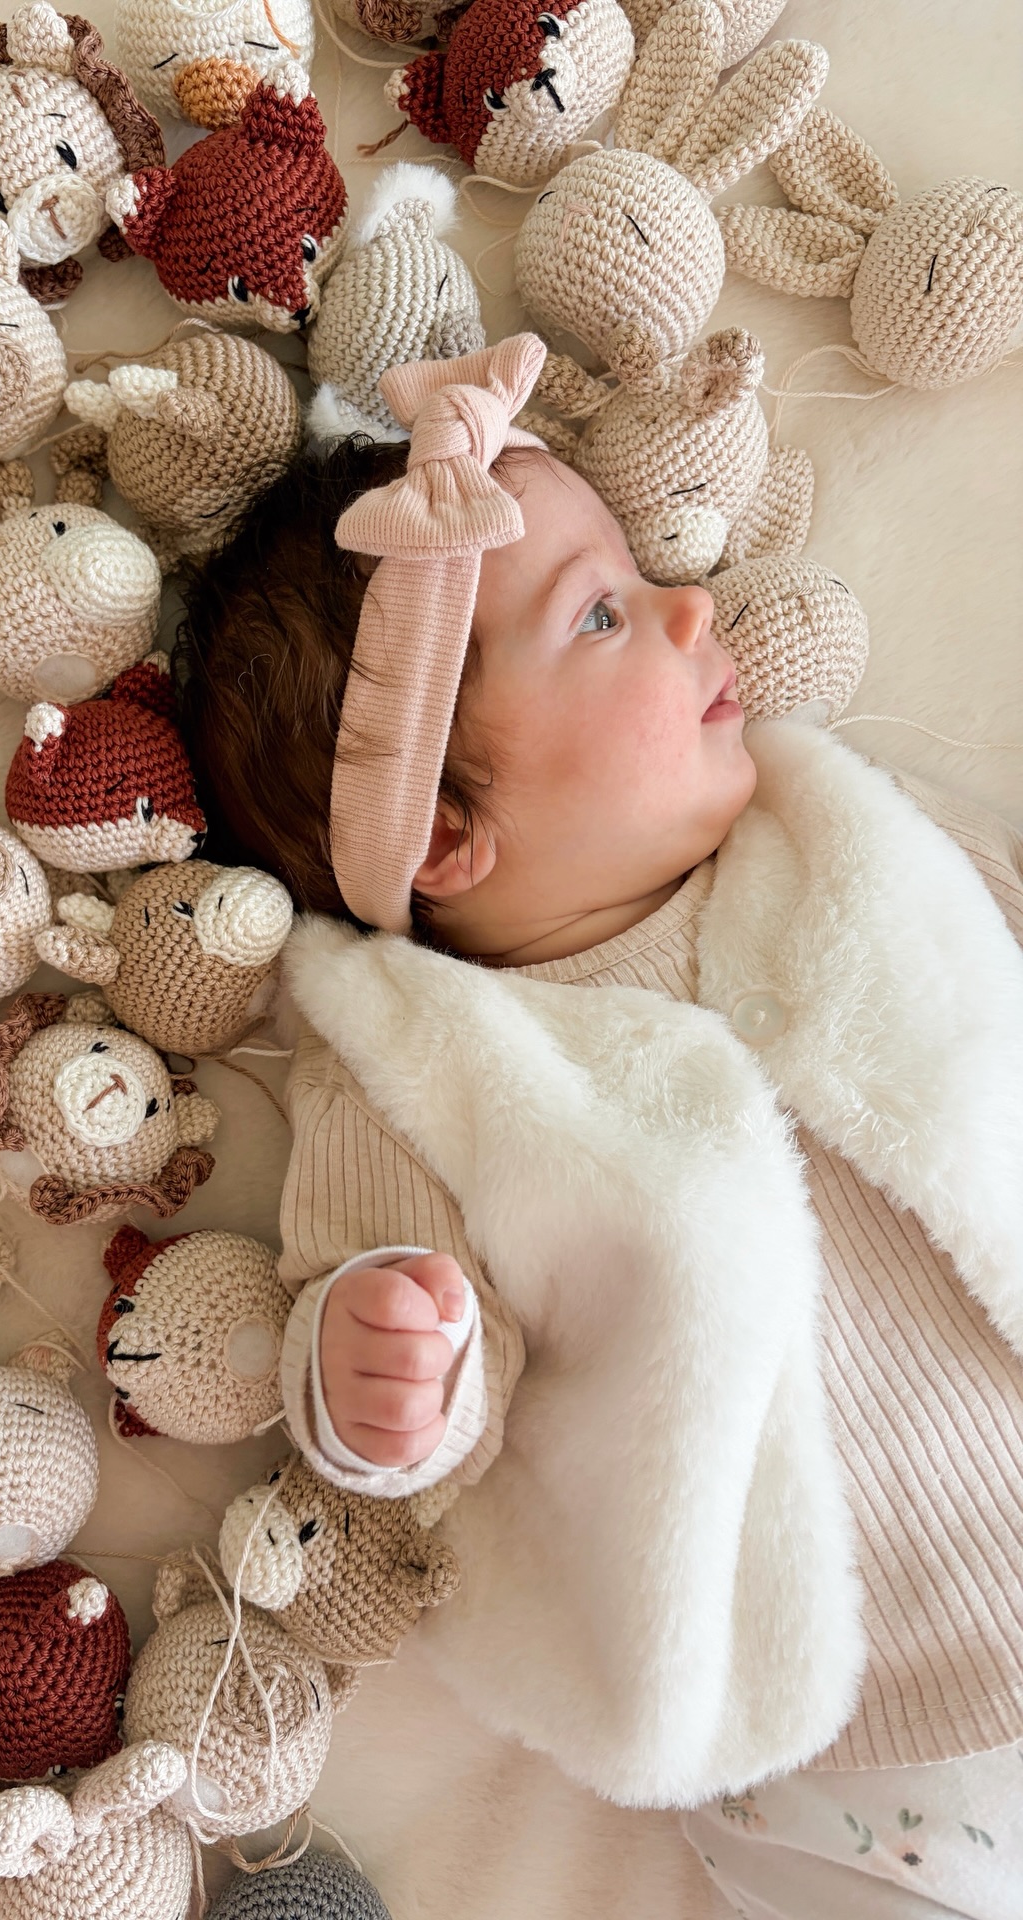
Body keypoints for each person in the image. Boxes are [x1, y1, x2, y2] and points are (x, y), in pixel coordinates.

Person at [176, 337, 1023, 1919]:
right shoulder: (428, 1067)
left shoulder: (846, 848)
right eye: (603, 613)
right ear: (443, 832)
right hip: (863, 1777)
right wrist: (379, 1371)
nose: (693, 608)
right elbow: (417, 1367)